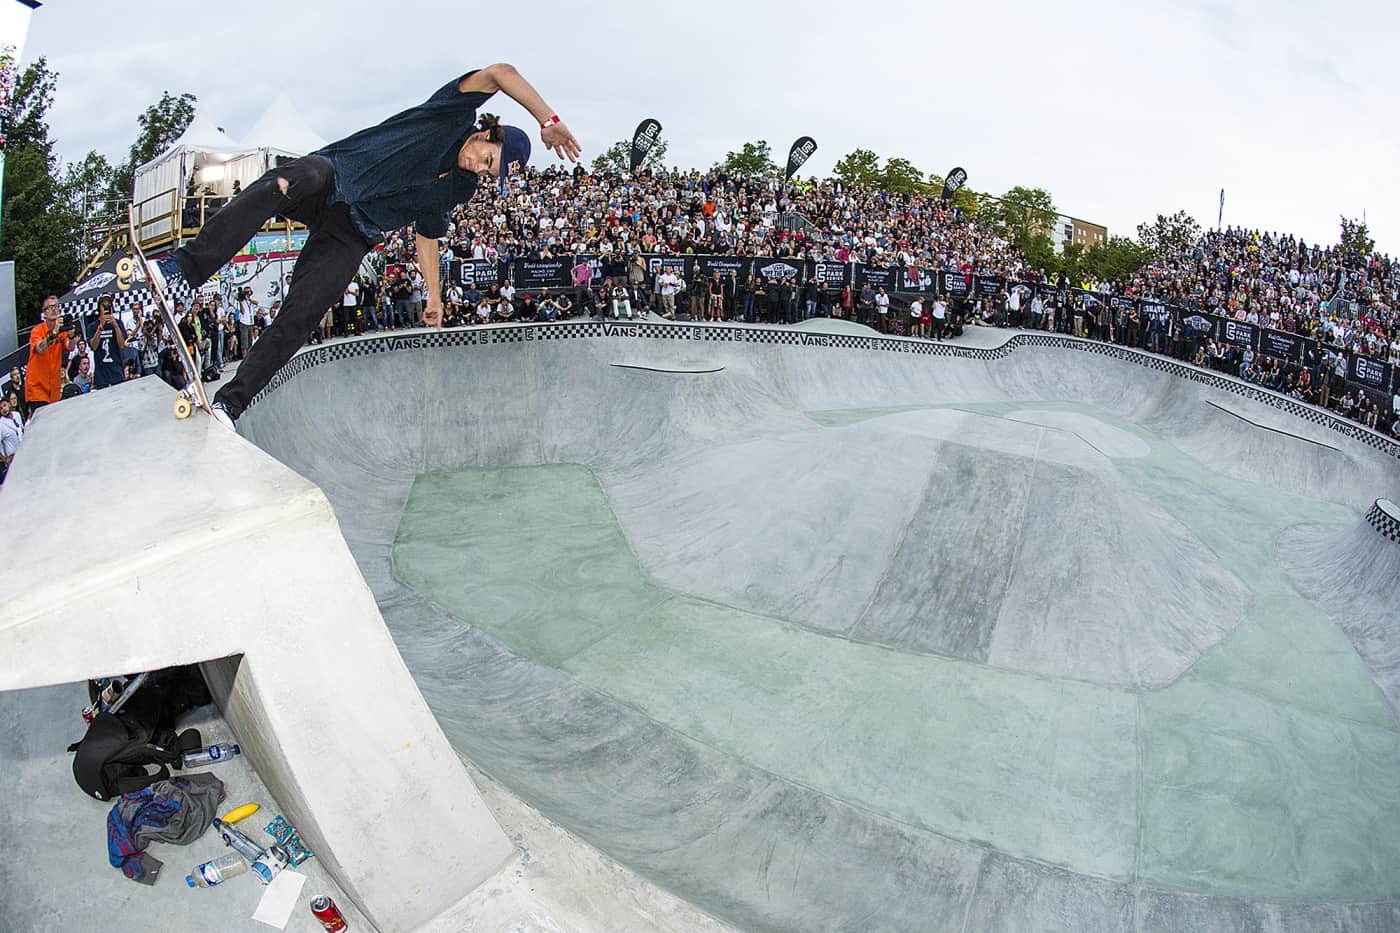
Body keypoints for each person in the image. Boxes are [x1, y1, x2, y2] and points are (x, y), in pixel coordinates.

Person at [148, 63, 581, 429]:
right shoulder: (450, 113)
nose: (478, 168)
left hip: (352, 234)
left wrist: (434, 295)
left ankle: (230, 404)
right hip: (334, 176)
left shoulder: (460, 188)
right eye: (486, 160)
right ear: (489, 134)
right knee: (284, 182)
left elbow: (428, 235)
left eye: (487, 172)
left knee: (304, 315)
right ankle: (182, 272)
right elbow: (501, 72)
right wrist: (548, 120)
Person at [25, 296, 73, 416]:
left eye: (56, 306)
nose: (54, 309)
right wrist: (54, 333)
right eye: (50, 307)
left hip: (53, 389)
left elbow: (70, 347)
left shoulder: (62, 332)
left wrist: (73, 337)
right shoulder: (37, 331)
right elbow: (40, 348)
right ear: (44, 313)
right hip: (37, 388)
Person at [89, 295, 129, 390]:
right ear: (99, 308)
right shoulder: (93, 326)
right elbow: (93, 346)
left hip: (117, 372)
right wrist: (100, 327)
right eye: (104, 306)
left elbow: (122, 345)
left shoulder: (118, 323)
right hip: (101, 375)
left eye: (108, 306)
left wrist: (115, 326)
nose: (106, 308)